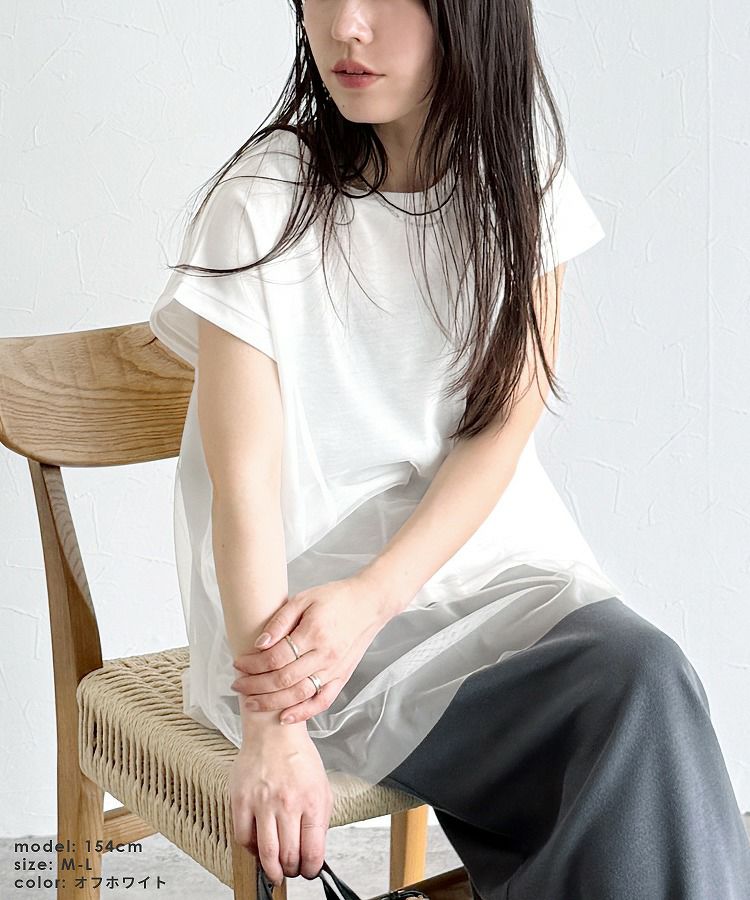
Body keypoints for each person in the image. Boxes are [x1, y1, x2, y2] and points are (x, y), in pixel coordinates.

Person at [149, 1, 750, 898]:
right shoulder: (259, 206)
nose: (346, 27)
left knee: (645, 679)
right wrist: (274, 727)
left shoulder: (519, 179)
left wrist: (376, 596)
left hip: (481, 582)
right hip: (304, 634)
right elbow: (244, 490)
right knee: (641, 773)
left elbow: (499, 431)